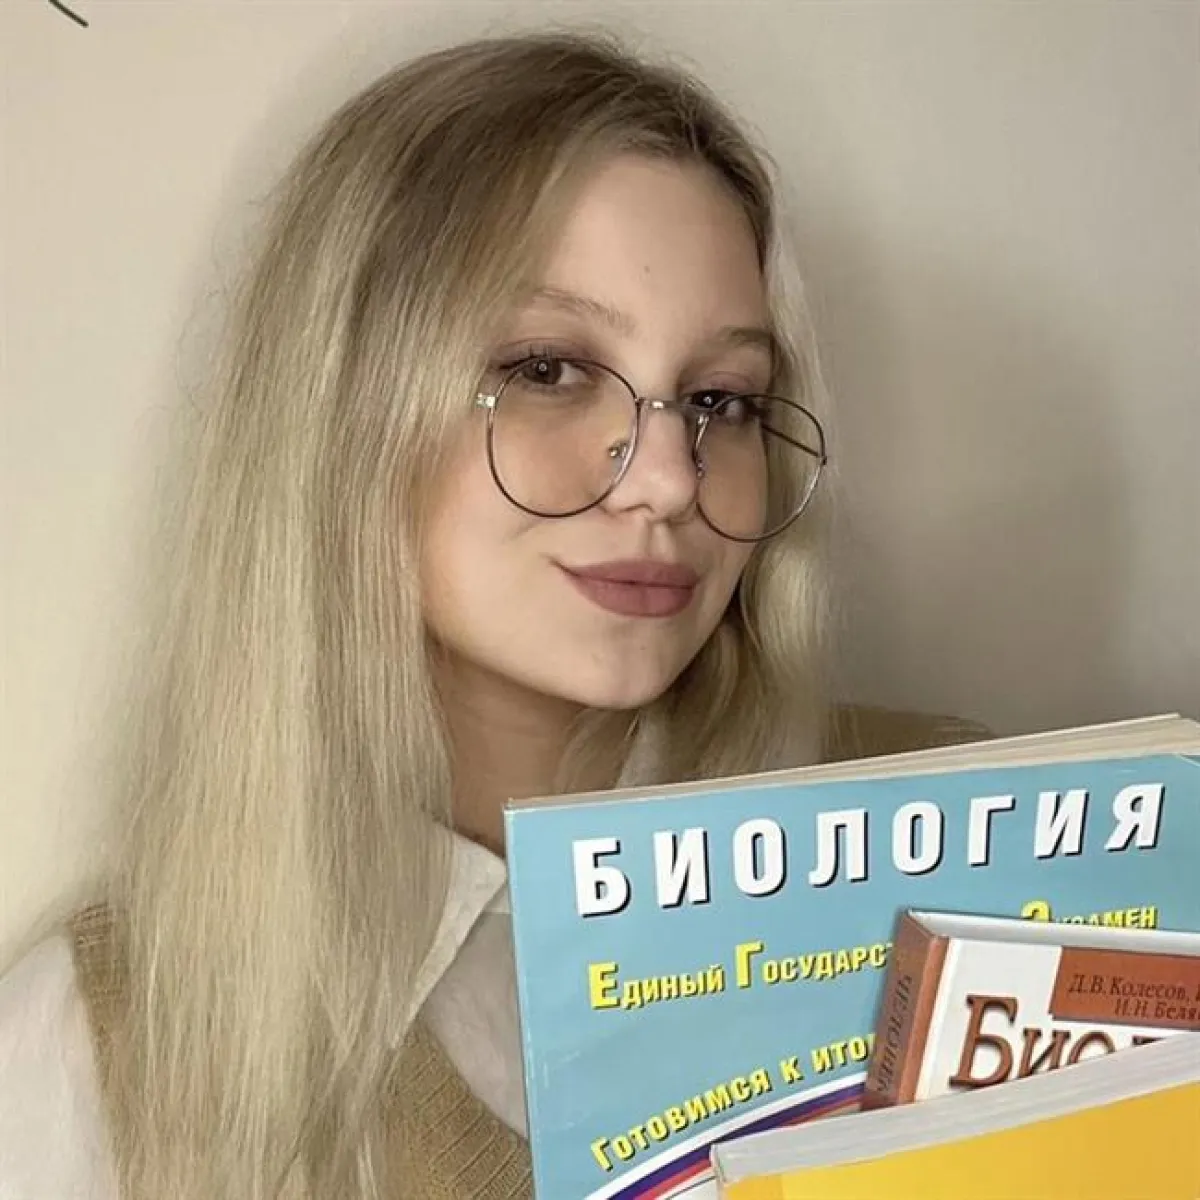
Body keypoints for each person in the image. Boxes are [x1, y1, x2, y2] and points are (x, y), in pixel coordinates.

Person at [0, 29, 831, 1200]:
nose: (666, 479)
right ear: (342, 410)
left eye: (719, 399)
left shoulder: (972, 860)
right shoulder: (98, 1049)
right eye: (546, 369)